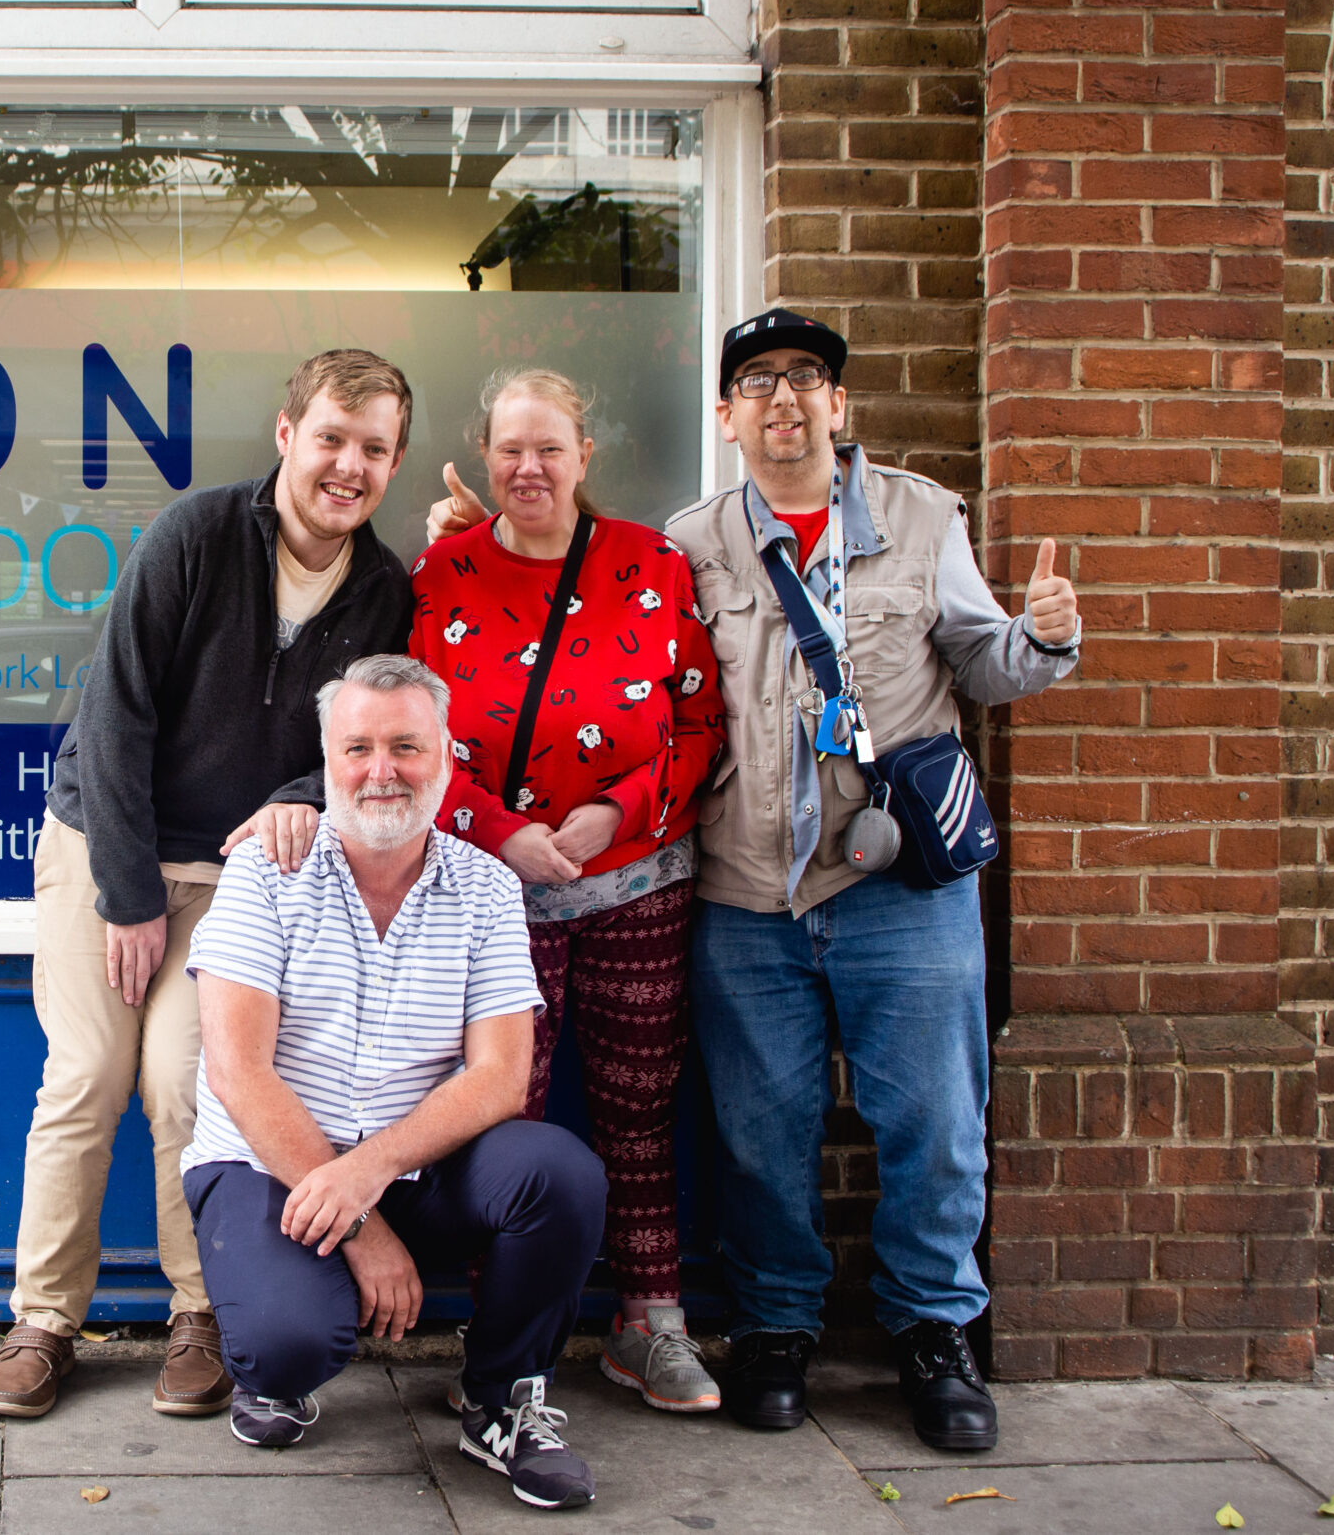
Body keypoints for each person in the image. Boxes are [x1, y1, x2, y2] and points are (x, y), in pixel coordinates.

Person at [429, 308, 1081, 1454]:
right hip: (745, 890)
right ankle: (776, 1329)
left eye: (807, 379)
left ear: (839, 407)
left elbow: (979, 663)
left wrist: (1041, 640)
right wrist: (487, 537)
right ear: (725, 417)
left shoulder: (925, 519)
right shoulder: (692, 542)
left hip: (894, 886)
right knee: (759, 1133)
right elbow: (518, 648)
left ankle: (934, 1333)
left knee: (933, 1122)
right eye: (756, 383)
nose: (783, 400)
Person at [0, 350, 418, 1423]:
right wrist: (127, 894)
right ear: (286, 436)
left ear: (393, 462)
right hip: (106, 846)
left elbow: (366, 744)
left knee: (191, 1085)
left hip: (236, 876)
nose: (347, 467)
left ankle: (199, 1316)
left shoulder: (383, 588)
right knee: (85, 1076)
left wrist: (306, 791)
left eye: (373, 449)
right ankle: (42, 1322)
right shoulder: (197, 536)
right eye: (331, 438)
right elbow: (115, 713)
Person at [181, 655, 609, 1510]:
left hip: (416, 1170)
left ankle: (503, 1398)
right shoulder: (266, 872)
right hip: (268, 1170)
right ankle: (272, 1371)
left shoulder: (486, 885)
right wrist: (362, 1231)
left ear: (446, 756)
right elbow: (237, 1070)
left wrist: (368, 1177)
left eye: (407, 746)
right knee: (289, 1341)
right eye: (360, 748)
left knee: (560, 1173)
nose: (382, 771)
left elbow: (500, 1078)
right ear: (328, 759)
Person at [409, 368, 727, 1417]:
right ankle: (505, 1354)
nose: (529, 467)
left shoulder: (652, 564)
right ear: (485, 457)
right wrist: (503, 832)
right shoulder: (443, 572)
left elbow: (696, 722)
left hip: (640, 882)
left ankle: (652, 1325)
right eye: (510, 450)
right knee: (507, 1122)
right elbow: (411, 743)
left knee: (638, 1109)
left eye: (549, 448)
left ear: (585, 457)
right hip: (496, 894)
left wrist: (611, 818)